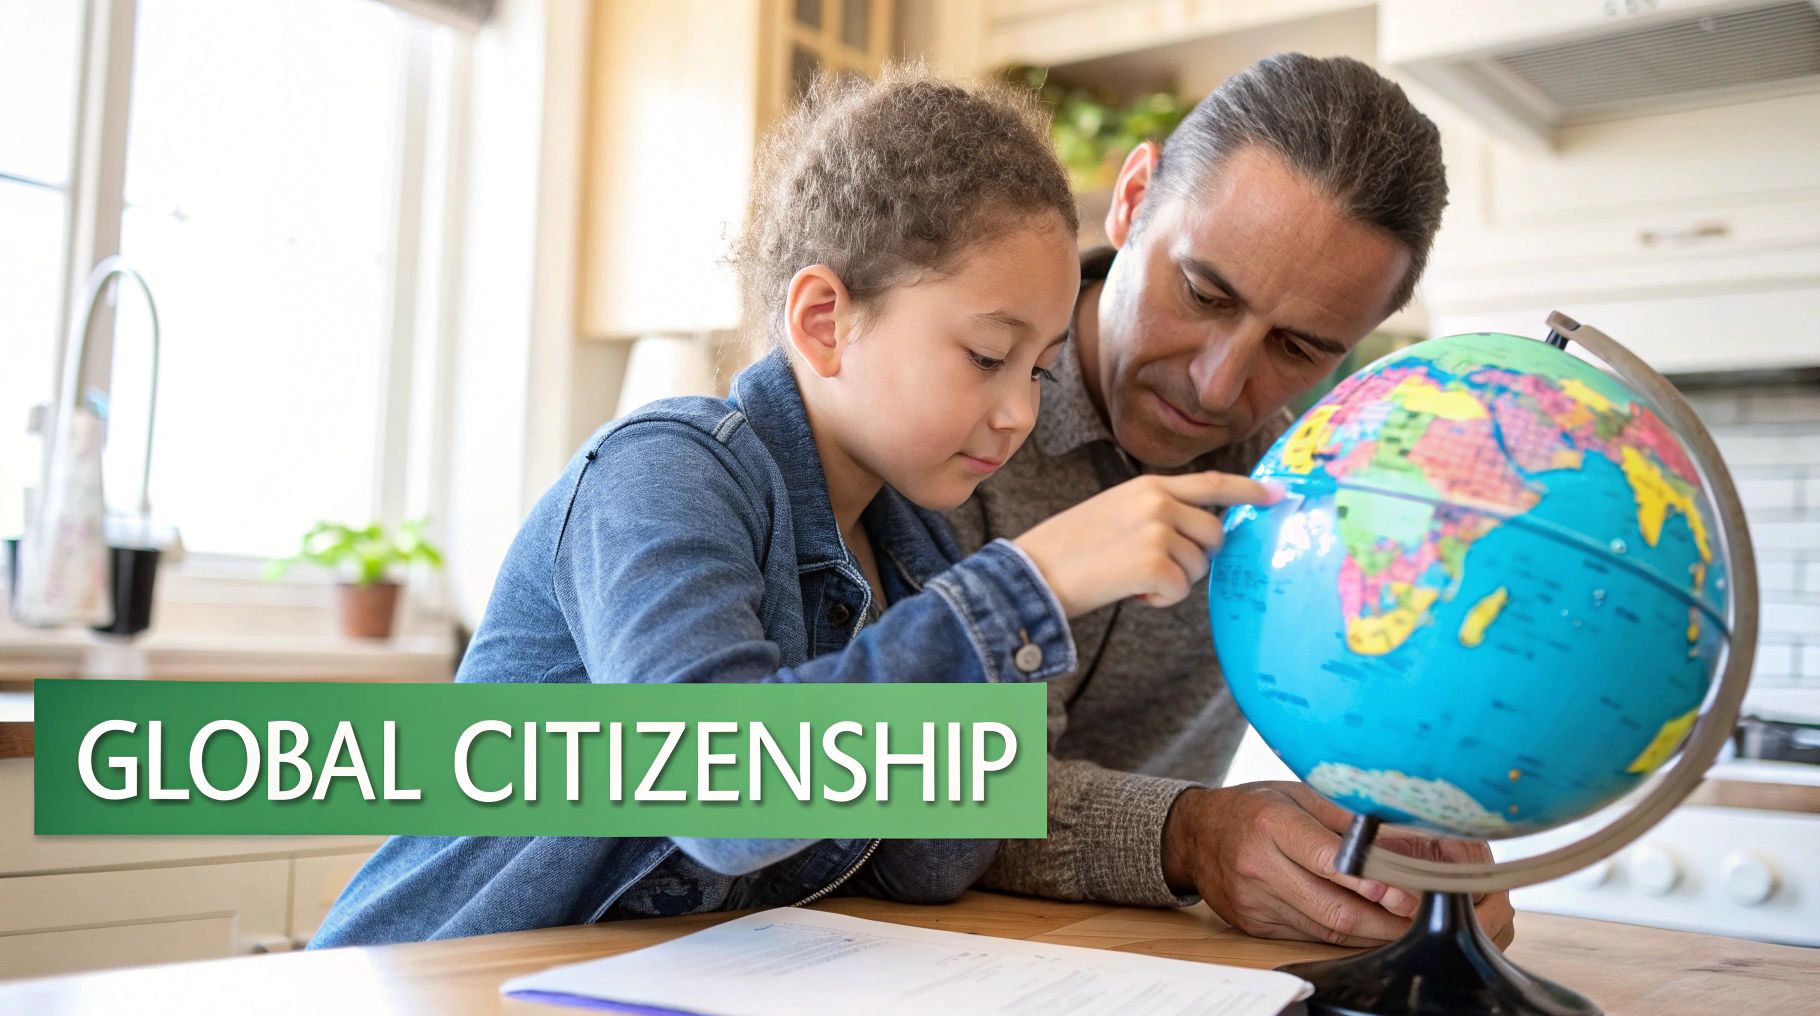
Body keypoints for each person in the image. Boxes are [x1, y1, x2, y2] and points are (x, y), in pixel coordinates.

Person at [309, 66, 1281, 948]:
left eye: (1037, 369)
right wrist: (1028, 586)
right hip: (426, 977)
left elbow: (932, 861)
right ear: (824, 322)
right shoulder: (664, 473)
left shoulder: (913, 551)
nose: (1020, 413)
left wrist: (992, 646)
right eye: (987, 356)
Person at [948, 53, 1518, 948]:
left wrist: (1395, 836)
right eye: (1204, 294)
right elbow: (887, 773)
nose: (1218, 387)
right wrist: (1188, 836)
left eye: (1299, 348)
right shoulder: (938, 401)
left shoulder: (1316, 495)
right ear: (1132, 198)